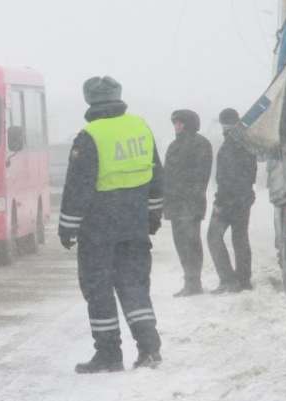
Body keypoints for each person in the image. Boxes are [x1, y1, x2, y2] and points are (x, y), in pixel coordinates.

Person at [58, 76, 164, 374]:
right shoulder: (140, 127)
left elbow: (78, 187)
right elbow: (156, 177)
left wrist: (67, 227)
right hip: (134, 225)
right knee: (134, 287)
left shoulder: (89, 135)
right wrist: (153, 215)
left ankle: (108, 354)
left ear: (89, 99)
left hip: (99, 230)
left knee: (99, 289)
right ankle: (149, 349)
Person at [207, 108, 257, 293]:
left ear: (224, 124)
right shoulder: (246, 141)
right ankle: (244, 280)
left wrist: (220, 201)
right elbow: (249, 174)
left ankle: (228, 280)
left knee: (213, 237)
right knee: (240, 238)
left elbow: (227, 177)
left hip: (229, 200)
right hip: (243, 198)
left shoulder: (231, 144)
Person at [164, 109, 213, 297]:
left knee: (191, 243)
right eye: (175, 123)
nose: (176, 126)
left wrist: (188, 196)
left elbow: (201, 175)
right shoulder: (173, 146)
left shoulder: (200, 144)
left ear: (189, 124)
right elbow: (168, 174)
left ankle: (194, 283)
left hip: (190, 203)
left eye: (179, 123)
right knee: (180, 243)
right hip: (175, 203)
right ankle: (189, 281)